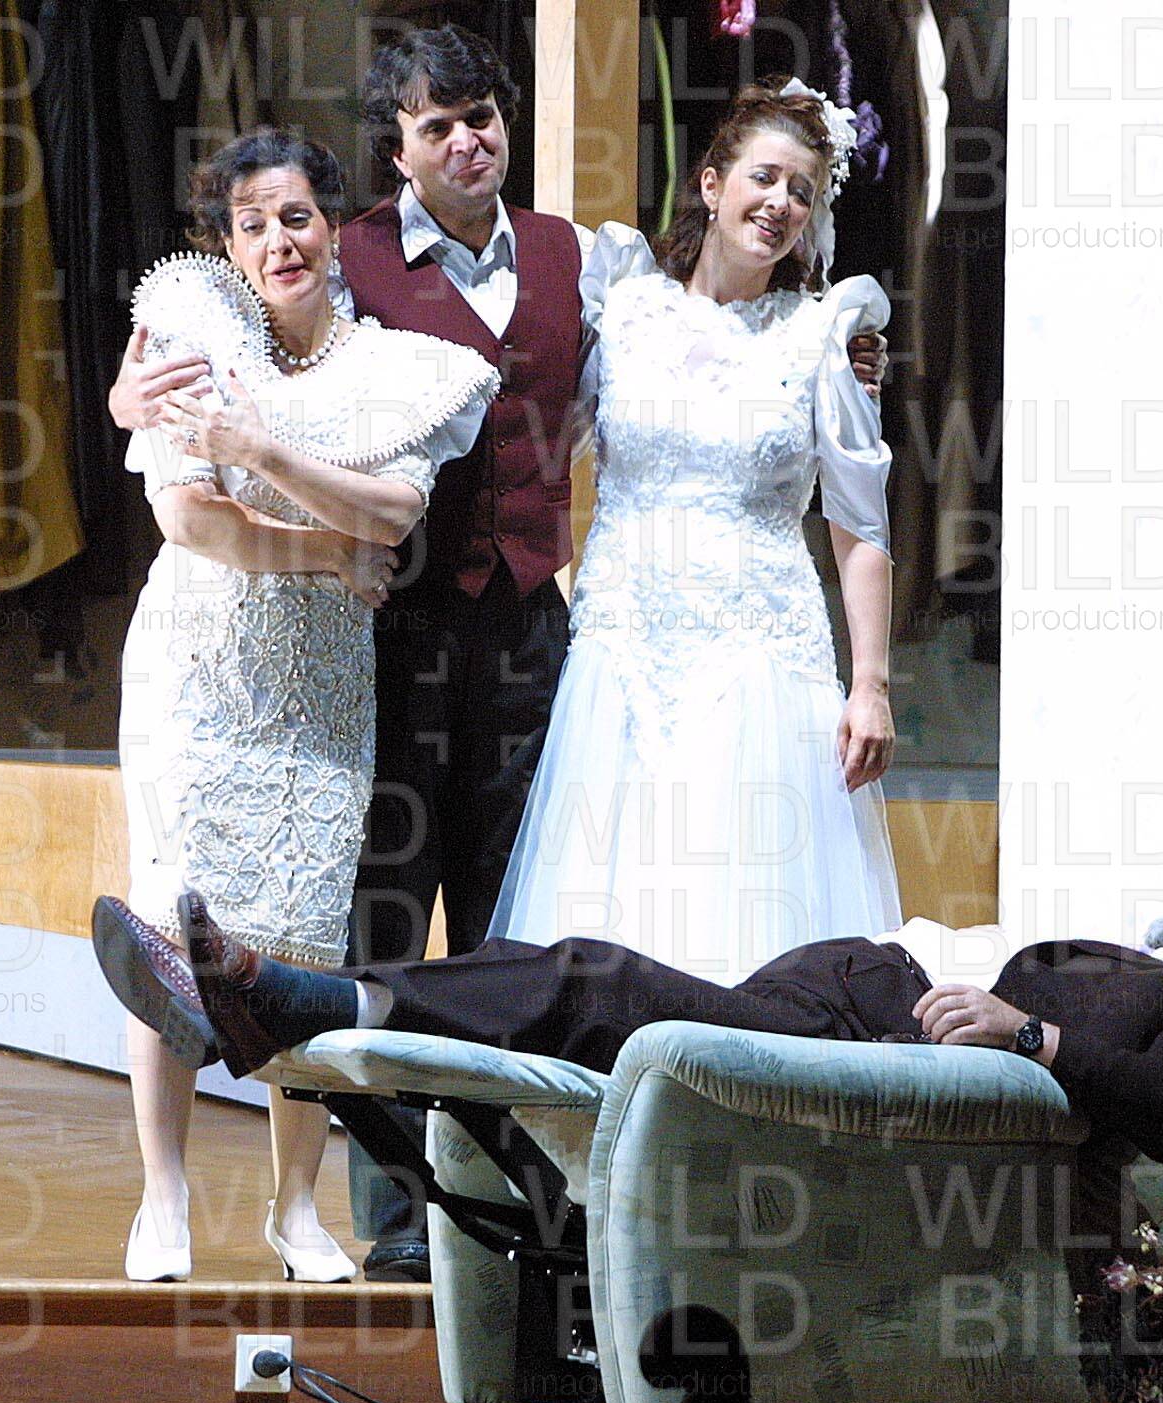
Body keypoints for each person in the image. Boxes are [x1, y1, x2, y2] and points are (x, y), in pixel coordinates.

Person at [110, 28, 887, 1283]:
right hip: (386, 628)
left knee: (506, 919)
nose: (467, 141)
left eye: (482, 118)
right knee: (377, 910)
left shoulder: (582, 261)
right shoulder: (346, 254)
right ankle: (392, 1210)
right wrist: (129, 395)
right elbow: (229, 332)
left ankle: (509, 1204)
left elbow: (706, 328)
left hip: (530, 627)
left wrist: (840, 344)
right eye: (437, 125)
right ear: (398, 148)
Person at [111, 128, 497, 1283]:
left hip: (323, 682)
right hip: (198, 668)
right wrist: (325, 550)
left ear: (332, 226)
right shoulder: (190, 332)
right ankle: (163, 1194)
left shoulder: (392, 368)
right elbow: (189, 518)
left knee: (299, 937)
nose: (277, 241)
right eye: (251, 224)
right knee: (171, 921)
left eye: (294, 217)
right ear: (224, 244)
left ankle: (295, 1207)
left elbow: (393, 511)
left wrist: (262, 450)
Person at [487, 77, 903, 983]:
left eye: (803, 191)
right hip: (624, 662)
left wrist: (870, 684)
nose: (782, 203)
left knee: (745, 921)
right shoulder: (622, 305)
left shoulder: (824, 337)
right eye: (765, 177)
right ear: (712, 184)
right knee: (606, 916)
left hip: (759, 663)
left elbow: (860, 524)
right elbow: (541, 427)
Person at [93, 869, 1163, 1168]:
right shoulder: (1157, 962)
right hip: (841, 993)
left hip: (881, 1061)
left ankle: (276, 997)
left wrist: (1029, 1036)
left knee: (594, 988)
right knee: (552, 990)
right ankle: (273, 1010)